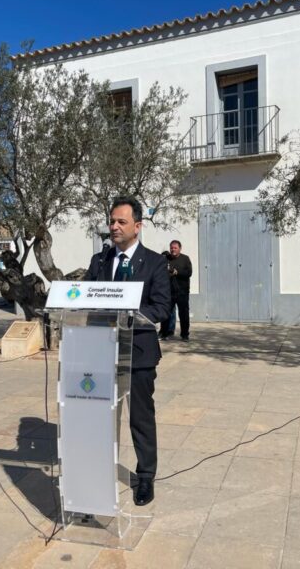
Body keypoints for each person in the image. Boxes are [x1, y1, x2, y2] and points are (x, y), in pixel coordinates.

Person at [85, 195, 171, 505]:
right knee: (99, 416)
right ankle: (94, 469)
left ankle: (145, 476)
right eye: (111, 221)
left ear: (138, 226)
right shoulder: (99, 262)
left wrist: (129, 313)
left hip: (139, 353)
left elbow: (161, 308)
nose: (114, 227)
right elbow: (84, 298)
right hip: (101, 353)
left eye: (121, 222)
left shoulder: (156, 262)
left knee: (140, 418)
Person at [159, 240, 192, 341]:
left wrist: (177, 272)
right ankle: (164, 333)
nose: (173, 250)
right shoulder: (166, 259)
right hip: (169, 292)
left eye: (175, 248)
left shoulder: (185, 259)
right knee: (166, 313)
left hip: (182, 292)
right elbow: (161, 272)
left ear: (180, 249)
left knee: (184, 314)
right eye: (171, 248)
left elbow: (189, 273)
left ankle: (185, 335)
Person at [160, 250, 178, 338]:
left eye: (165, 257)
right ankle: (163, 330)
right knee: (164, 312)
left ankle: (170, 330)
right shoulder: (160, 266)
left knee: (172, 312)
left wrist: (171, 272)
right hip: (163, 292)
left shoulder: (170, 265)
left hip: (172, 292)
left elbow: (173, 274)